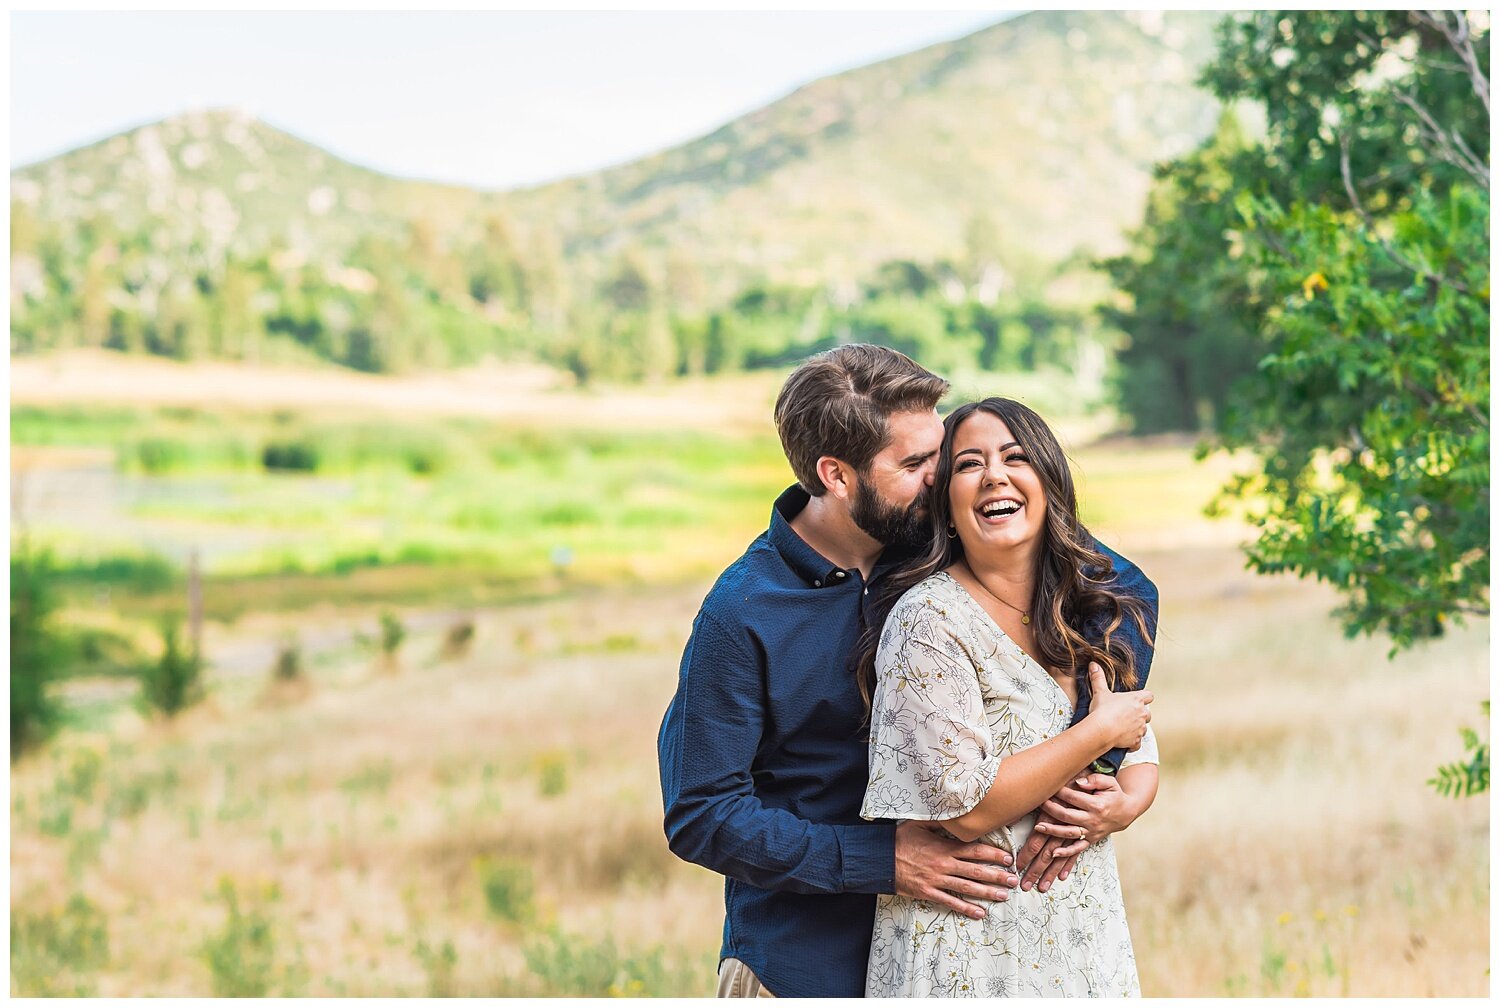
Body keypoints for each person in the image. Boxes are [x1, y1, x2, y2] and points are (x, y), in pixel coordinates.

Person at [657, 347, 1156, 998]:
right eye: (916, 463)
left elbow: (1122, 589)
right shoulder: (744, 613)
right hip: (802, 968)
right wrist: (879, 861)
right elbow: (703, 813)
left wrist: (1104, 778)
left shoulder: (944, 545)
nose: (941, 475)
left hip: (963, 960)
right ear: (836, 476)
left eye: (940, 450)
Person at [857, 396, 1159, 997]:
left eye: (1016, 457)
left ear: (1048, 485)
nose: (995, 474)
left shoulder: (1084, 611)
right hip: (968, 951)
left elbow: (1136, 741)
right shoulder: (928, 621)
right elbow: (966, 808)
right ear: (945, 508)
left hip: (1080, 939)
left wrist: (1123, 807)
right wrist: (1094, 736)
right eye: (969, 464)